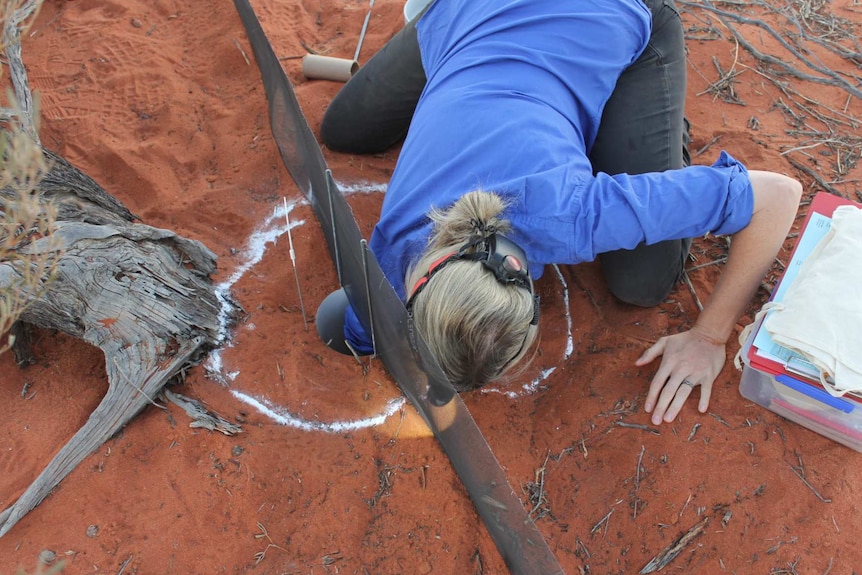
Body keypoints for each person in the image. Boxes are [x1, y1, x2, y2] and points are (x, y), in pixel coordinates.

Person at [315, 0, 802, 425]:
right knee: (342, 129)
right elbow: (347, 321)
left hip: (606, 11)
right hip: (473, 17)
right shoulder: (392, 255)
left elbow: (779, 196)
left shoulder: (574, 215)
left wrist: (710, 336)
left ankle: (645, 119)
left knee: (643, 282)